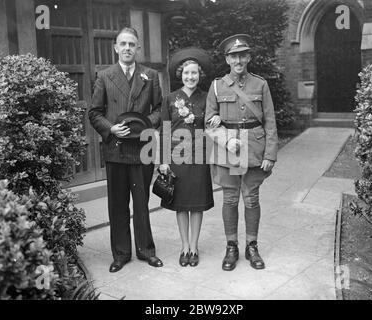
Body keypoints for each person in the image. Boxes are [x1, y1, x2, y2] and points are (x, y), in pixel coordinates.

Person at [88, 27, 163, 273]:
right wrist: (111, 129)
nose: (128, 48)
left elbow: (159, 109)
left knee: (142, 203)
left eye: (132, 44)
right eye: (123, 44)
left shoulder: (150, 75)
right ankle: (120, 254)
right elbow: (94, 112)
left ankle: (146, 250)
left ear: (138, 47)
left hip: (142, 148)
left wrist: (145, 125)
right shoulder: (104, 76)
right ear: (116, 47)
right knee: (118, 204)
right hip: (117, 148)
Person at [205, 34, 278, 271]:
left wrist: (270, 154)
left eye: (242, 55)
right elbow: (208, 123)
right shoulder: (217, 86)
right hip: (229, 151)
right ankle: (231, 247)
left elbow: (270, 122)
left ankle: (252, 246)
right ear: (227, 59)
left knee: (251, 199)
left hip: (255, 149)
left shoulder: (260, 84)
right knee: (230, 199)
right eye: (233, 56)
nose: (238, 60)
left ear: (248, 57)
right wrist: (227, 141)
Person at [159, 47, 214, 267]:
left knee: (197, 204)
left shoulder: (208, 98)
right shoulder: (169, 99)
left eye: (194, 73)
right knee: (181, 204)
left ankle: (194, 245)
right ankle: (184, 246)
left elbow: (211, 124)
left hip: (199, 158)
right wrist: (162, 161)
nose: (190, 77)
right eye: (186, 73)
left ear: (200, 75)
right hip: (177, 158)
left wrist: (216, 122)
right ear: (180, 75)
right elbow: (164, 130)